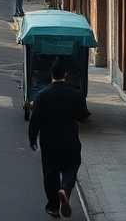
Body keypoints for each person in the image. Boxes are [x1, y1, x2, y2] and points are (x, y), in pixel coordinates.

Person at [28, 59, 91, 218]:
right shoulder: (74, 94)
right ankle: (65, 188)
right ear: (65, 75)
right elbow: (83, 116)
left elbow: (35, 120)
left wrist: (32, 138)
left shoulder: (42, 95)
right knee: (72, 166)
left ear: (51, 75)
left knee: (50, 173)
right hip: (70, 140)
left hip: (49, 142)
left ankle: (53, 207)